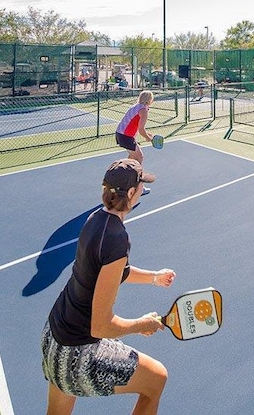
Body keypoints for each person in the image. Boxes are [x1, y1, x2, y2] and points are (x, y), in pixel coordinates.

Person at [41, 158, 176, 415]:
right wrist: (142, 324)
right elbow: (101, 326)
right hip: (75, 353)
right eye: (140, 187)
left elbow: (112, 272)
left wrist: (154, 277)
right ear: (133, 193)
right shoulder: (117, 238)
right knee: (157, 379)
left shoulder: (95, 219)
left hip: (54, 338)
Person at [115, 90, 155, 195]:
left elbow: (136, 126)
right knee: (139, 158)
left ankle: (120, 178)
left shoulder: (136, 106)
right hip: (126, 137)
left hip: (121, 134)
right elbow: (141, 129)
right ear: (150, 100)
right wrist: (148, 138)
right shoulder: (144, 110)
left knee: (131, 159)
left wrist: (148, 135)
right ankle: (138, 188)